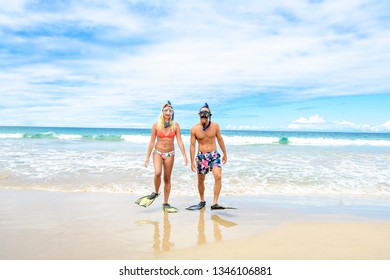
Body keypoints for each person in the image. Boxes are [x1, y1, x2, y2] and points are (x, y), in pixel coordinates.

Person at [135, 101, 188, 213]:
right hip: (158, 153)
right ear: (162, 112)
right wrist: (147, 157)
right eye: (166, 110)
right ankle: (155, 191)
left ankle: (166, 203)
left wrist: (185, 156)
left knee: (167, 179)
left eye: (170, 110)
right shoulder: (156, 125)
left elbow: (179, 141)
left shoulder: (176, 125)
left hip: (170, 154)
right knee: (157, 173)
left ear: (172, 113)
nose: (168, 112)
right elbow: (151, 141)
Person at [187, 103, 228, 211]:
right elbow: (192, 145)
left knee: (218, 176)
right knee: (201, 180)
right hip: (201, 157)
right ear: (199, 115)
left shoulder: (215, 126)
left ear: (209, 115)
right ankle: (202, 201)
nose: (204, 115)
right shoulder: (194, 129)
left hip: (214, 155)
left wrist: (225, 153)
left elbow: (220, 139)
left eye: (206, 113)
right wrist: (192, 162)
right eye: (202, 113)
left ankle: (215, 203)